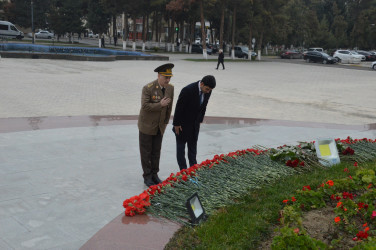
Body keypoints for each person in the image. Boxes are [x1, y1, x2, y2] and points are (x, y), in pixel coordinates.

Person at [138, 63, 174, 187]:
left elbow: (169, 107)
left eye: (169, 77)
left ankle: (154, 174)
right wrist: (160, 105)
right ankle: (147, 176)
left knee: (156, 151)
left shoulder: (170, 88)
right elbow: (145, 106)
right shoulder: (148, 88)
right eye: (166, 77)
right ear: (159, 76)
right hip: (147, 126)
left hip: (159, 126)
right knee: (146, 152)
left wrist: (165, 122)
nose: (168, 80)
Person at [172, 75, 216, 170]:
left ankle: (194, 170)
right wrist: (176, 124)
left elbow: (204, 106)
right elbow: (179, 108)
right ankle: (183, 171)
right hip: (182, 125)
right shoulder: (187, 90)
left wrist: (199, 121)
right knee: (181, 150)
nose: (208, 92)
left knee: (192, 150)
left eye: (210, 90)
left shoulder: (208, 91)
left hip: (194, 126)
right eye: (207, 89)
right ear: (202, 84)